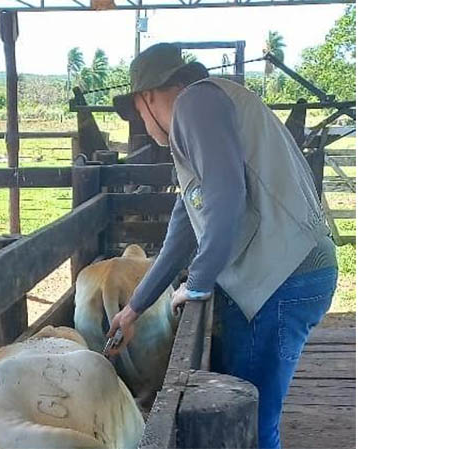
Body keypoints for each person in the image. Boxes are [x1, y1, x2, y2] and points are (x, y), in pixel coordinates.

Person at [106, 43, 338, 449]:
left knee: (249, 419)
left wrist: (197, 283)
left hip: (282, 278)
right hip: (287, 273)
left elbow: (226, 196)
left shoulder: (195, 104)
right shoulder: (207, 112)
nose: (142, 123)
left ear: (149, 96)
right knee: (246, 409)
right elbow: (186, 223)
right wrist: (135, 307)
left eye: (138, 113)